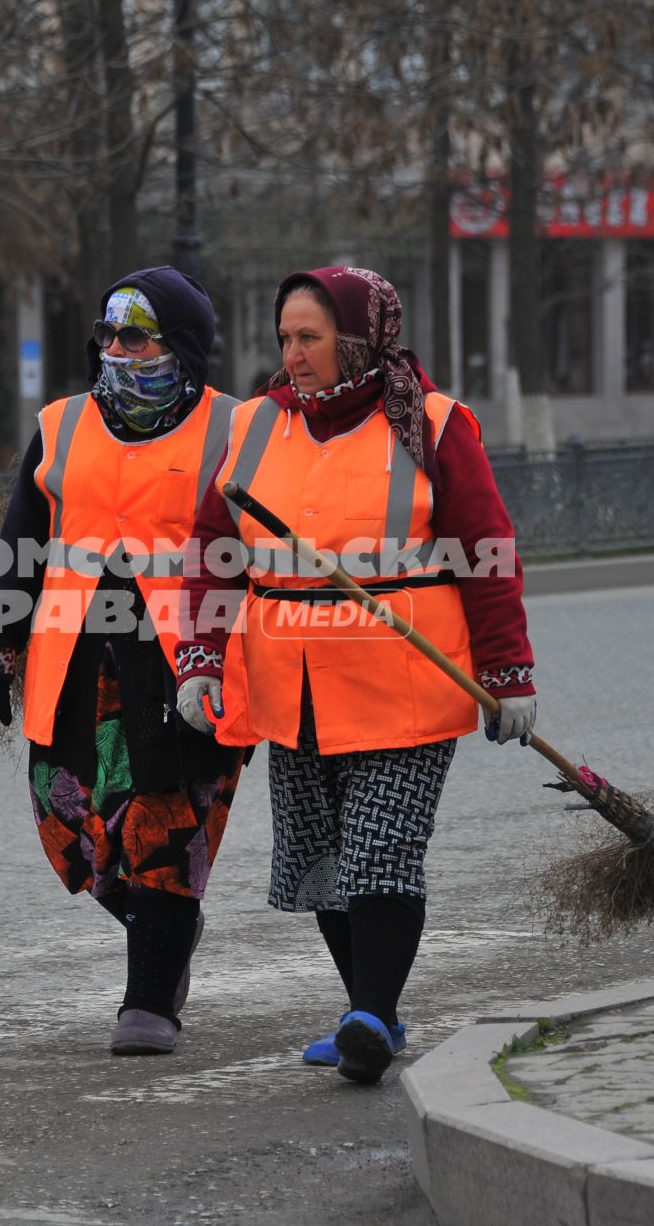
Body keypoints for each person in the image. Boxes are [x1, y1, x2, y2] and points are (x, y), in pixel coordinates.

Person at [173, 266, 537, 1085]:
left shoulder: (435, 425)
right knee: (319, 861)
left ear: (359, 336)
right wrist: (198, 659)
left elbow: (488, 555)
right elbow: (210, 554)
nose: (293, 355)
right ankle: (374, 1010)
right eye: (285, 339)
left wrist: (509, 669)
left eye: (311, 337)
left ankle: (368, 1015)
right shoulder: (255, 425)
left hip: (404, 676)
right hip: (289, 684)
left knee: (381, 853)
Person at [0, 266, 252, 1056]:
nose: (117, 349)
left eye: (137, 335)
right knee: (75, 827)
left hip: (186, 665)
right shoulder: (60, 425)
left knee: (166, 825)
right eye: (109, 334)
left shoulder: (236, 428)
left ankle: (149, 998)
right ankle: (167, 928)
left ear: (184, 347)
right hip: (75, 662)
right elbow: (21, 541)